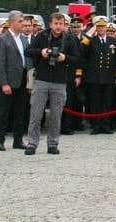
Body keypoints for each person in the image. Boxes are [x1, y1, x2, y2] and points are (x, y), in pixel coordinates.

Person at [24, 12, 80, 154]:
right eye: (56, 23)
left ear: (64, 25)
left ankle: (53, 144)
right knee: (35, 114)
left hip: (60, 81)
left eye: (61, 24)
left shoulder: (69, 39)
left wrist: (64, 57)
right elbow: (28, 51)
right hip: (41, 79)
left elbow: (77, 59)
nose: (58, 27)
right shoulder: (41, 36)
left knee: (56, 116)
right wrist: (41, 52)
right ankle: (32, 143)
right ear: (50, 24)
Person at [76, 16, 116, 135]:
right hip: (94, 76)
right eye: (99, 26)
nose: (101, 28)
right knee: (95, 102)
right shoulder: (91, 40)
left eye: (103, 26)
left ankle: (105, 124)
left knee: (107, 102)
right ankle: (96, 125)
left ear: (106, 27)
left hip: (109, 76)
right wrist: (90, 34)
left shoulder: (113, 41)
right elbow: (81, 49)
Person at [0, 11, 29, 151]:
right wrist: (4, 83)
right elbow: (0, 63)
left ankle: (18, 139)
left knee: (20, 111)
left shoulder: (24, 39)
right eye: (20, 21)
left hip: (22, 79)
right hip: (9, 81)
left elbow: (28, 60)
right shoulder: (3, 39)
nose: (22, 24)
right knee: (4, 111)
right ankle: (0, 139)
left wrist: (29, 81)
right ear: (12, 22)